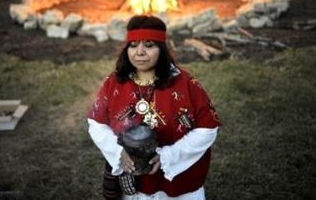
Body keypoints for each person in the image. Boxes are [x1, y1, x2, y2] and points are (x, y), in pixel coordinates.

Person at [87, 15, 221, 200]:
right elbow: (96, 123)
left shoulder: (185, 84)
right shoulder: (115, 82)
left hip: (177, 187)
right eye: (133, 45)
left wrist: (168, 156)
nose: (140, 52)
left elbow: (207, 128)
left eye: (149, 45)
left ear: (162, 49)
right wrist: (119, 153)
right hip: (133, 184)